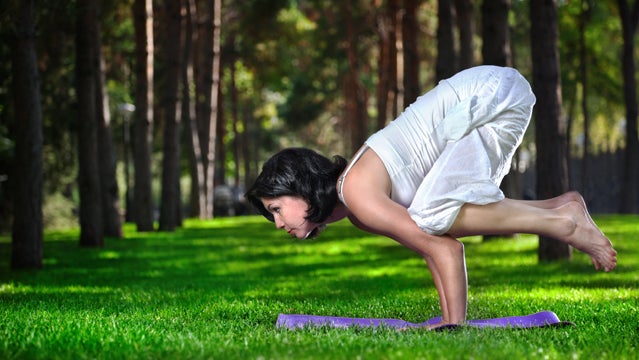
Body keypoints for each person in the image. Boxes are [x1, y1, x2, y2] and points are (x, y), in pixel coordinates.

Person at [245, 65, 617, 330]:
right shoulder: (357, 206)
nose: (278, 223)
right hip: (489, 94)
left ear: (301, 186)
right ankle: (559, 208)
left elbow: (445, 248)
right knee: (432, 216)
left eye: (276, 209)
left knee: (432, 216)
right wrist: (445, 318)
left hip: (486, 99)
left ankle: (564, 222)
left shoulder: (357, 194)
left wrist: (453, 324)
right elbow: (430, 247)